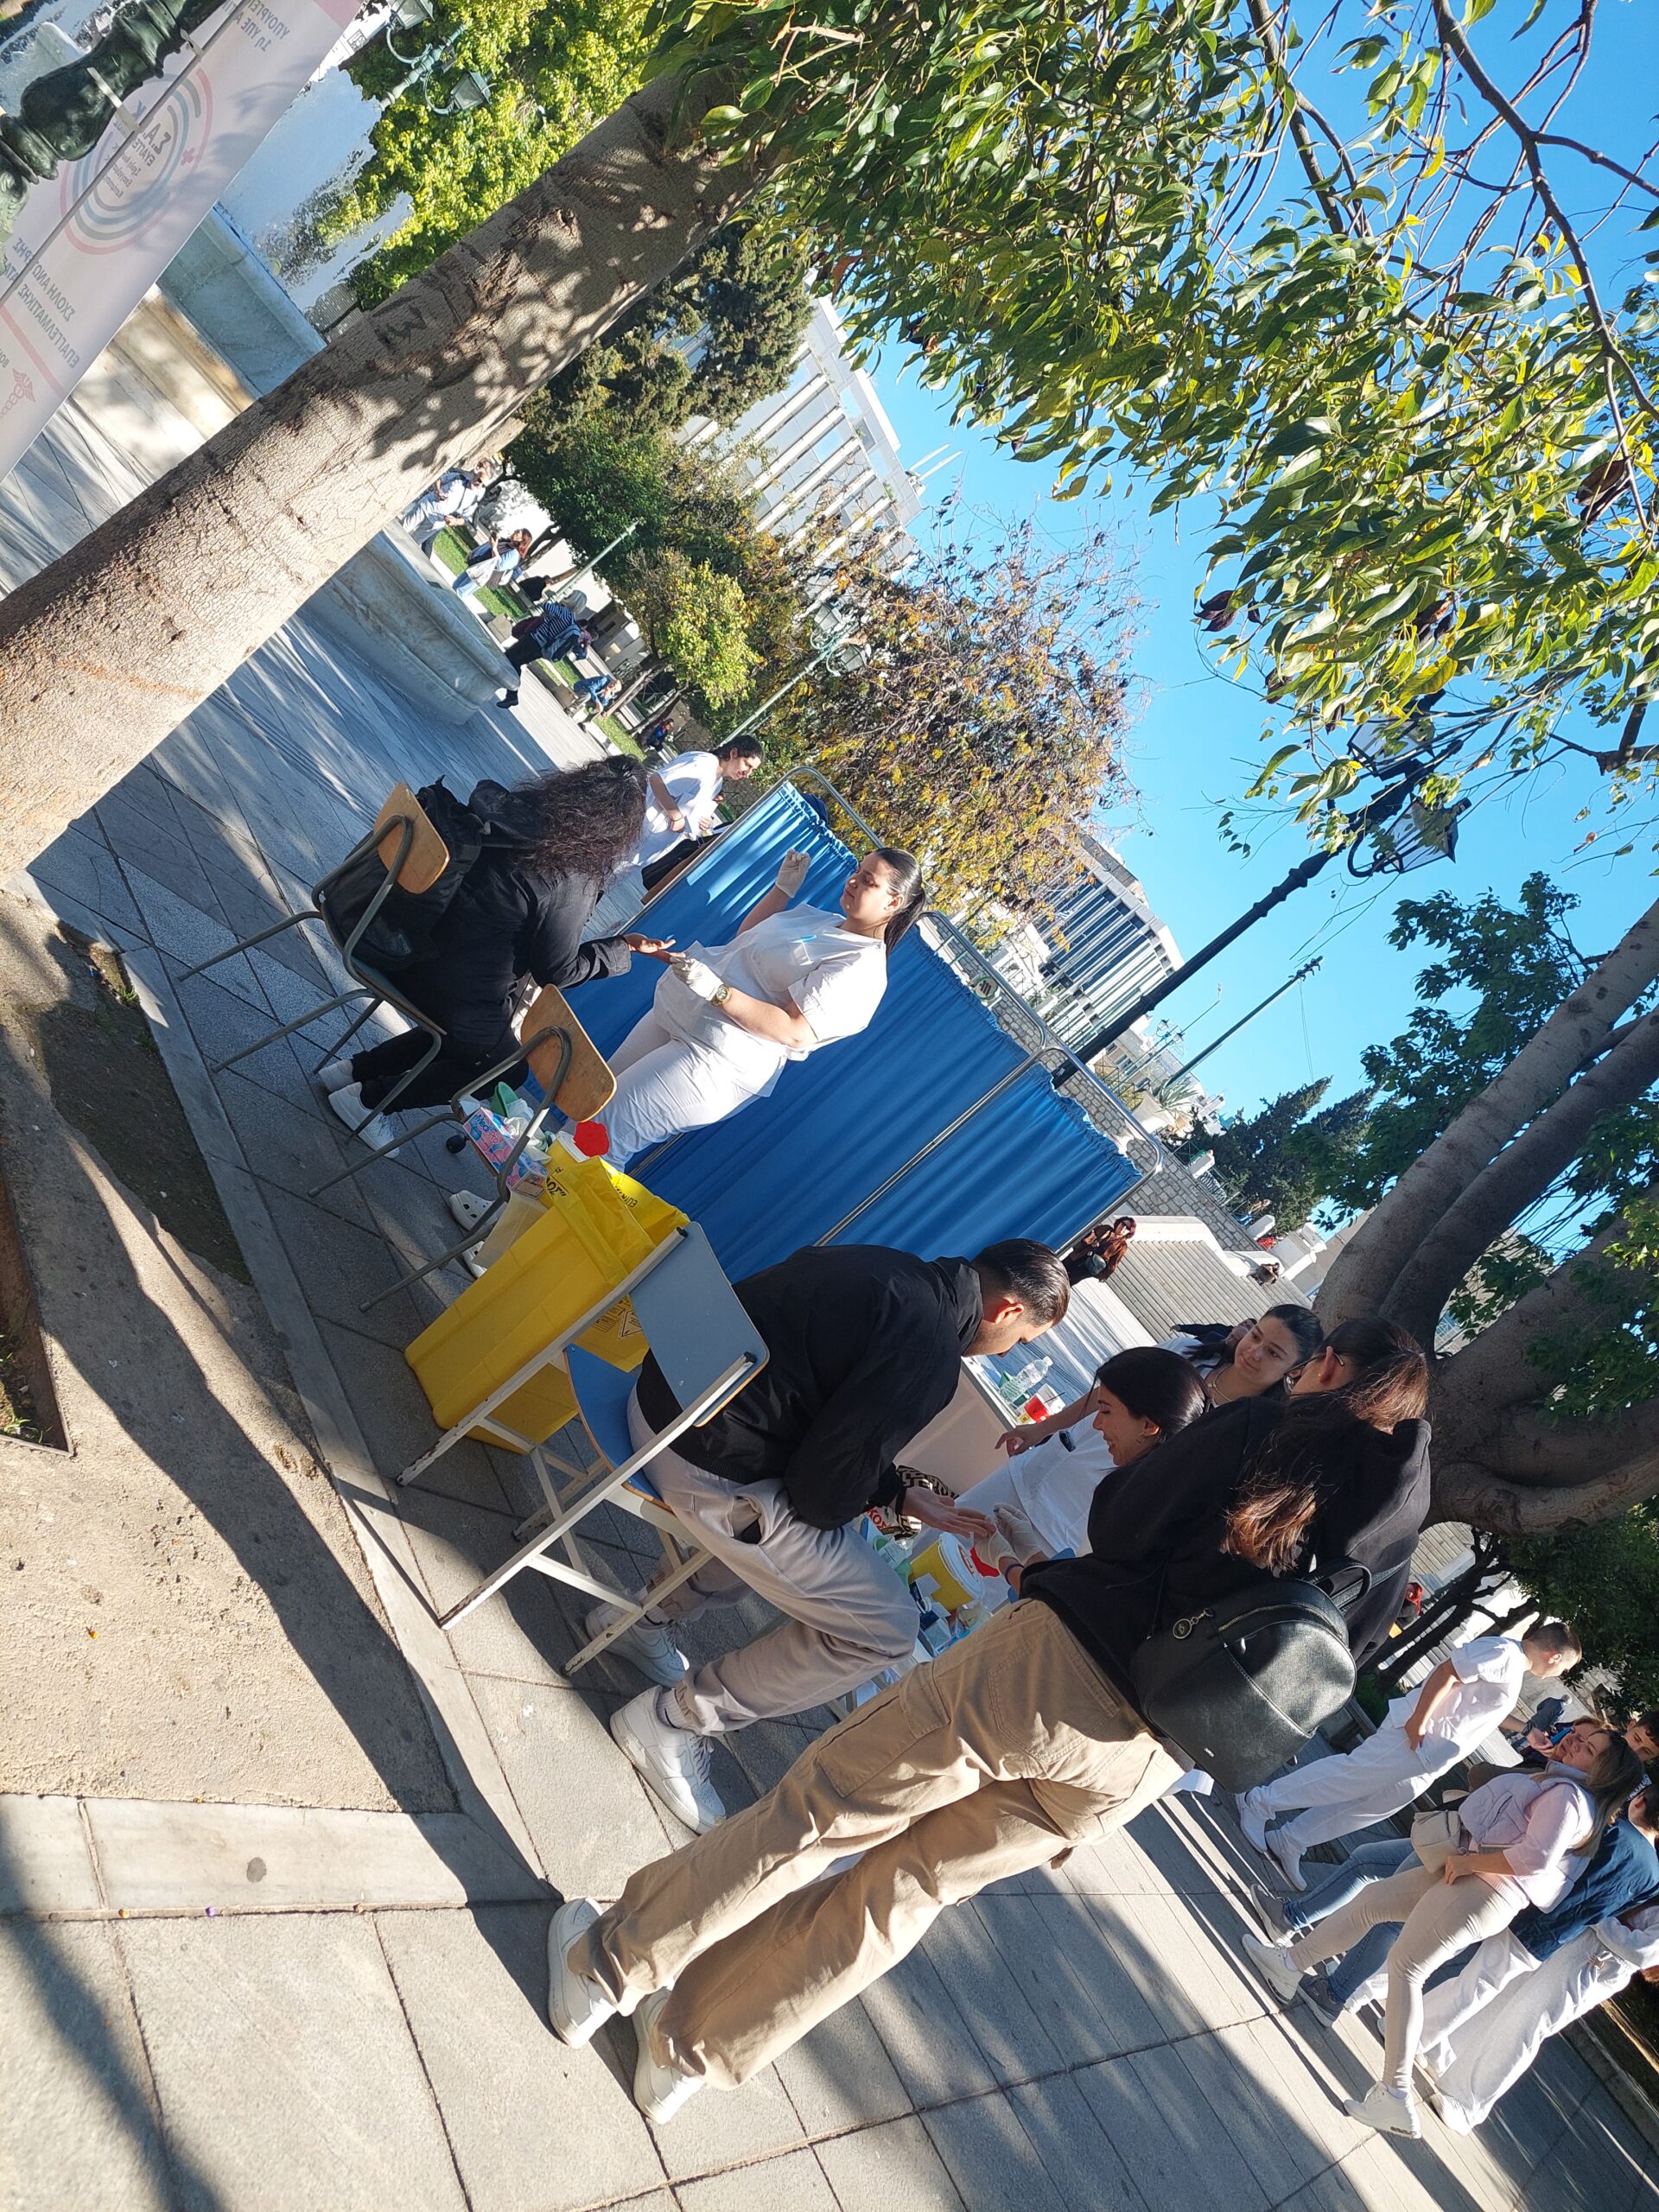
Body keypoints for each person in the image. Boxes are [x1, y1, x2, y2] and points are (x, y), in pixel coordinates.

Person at [544, 1316, 1431, 2122]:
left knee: (822, 1815)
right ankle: (690, 2053)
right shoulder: (1391, 1541)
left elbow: (1123, 1522)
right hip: (1148, 1761)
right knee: (906, 1893)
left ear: (1327, 1365)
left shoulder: (1263, 1430)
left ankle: (609, 1964)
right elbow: (1325, 1673)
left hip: (1055, 1669)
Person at [588, 1239, 1072, 1832]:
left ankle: (643, 1621)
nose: (1007, 1350)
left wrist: (893, 1491)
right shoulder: (930, 1349)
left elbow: (808, 1406)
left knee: (814, 1538)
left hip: (660, 1401)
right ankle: (675, 1721)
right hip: (700, 1463)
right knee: (887, 1628)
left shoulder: (891, 1267)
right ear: (1007, 1311)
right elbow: (819, 1493)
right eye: (1021, 1340)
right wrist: (863, 1507)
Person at [1243, 1720, 1644, 2140]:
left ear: (1604, 1774)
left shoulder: (1569, 1797)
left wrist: (1470, 1863)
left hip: (1483, 1888)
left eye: (1588, 1749)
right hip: (1475, 1881)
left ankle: (1395, 2093)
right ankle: (1289, 1964)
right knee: (1373, 1903)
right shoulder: (1571, 1794)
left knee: (1406, 1969)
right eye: (1582, 1739)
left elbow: (1534, 1859)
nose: (1576, 1744)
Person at [321, 761, 671, 1153]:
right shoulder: (572, 876)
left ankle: (353, 1072)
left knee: (479, 1036)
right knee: (506, 1066)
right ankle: (367, 1102)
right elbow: (558, 969)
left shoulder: (511, 809)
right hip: (437, 979)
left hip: (397, 934)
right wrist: (623, 948)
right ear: (617, 832)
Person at [594, 843, 925, 1169]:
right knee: (590, 1102)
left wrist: (719, 992)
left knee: (600, 1137)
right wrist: (781, 890)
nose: (852, 881)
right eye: (857, 870)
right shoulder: (821, 921)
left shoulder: (862, 968)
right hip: (683, 1012)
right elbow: (749, 938)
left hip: (717, 1061)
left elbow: (795, 1030)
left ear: (893, 902)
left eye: (868, 880)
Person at [1237, 1619, 1583, 1892]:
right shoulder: (1504, 1654)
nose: (1560, 1675)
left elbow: (1482, 1707)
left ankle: (1291, 1840)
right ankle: (1260, 1803)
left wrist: (1526, 1730)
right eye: (1564, 1668)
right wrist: (1418, 1720)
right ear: (1554, 1657)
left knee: (1369, 1805)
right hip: (1418, 1738)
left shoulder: (1512, 1664)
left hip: (1431, 1753)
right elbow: (1448, 1672)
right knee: (1348, 1778)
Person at [1416, 1775, 1659, 2076]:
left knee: (1463, 1966)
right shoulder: (1653, 1876)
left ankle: (1417, 2032)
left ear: (1639, 1801)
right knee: (1485, 1983)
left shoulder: (1609, 1829)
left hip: (1531, 1905)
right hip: (1556, 1936)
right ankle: (1428, 2037)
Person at [1430, 1895, 1659, 2133]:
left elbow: (1642, 1952)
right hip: (1580, 1935)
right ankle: (1450, 2050)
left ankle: (1469, 2105)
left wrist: (1597, 1913)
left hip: (1599, 1961)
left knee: (1526, 2026)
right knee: (1508, 1993)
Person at [950, 1346, 1206, 1560]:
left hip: (1056, 1541)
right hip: (1038, 1487)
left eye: (1106, 1412)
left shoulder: (1141, 1513)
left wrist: (1014, 1562)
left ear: (1149, 1426)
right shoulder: (1187, 1349)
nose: (1096, 1424)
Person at [634, 739, 764, 875]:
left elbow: (689, 808)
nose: (748, 774)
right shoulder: (703, 763)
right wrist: (676, 816)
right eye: (747, 765)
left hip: (647, 848)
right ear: (733, 753)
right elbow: (657, 780)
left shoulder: (718, 782)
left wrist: (704, 822)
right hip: (637, 831)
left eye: (752, 770)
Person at [1161, 1305, 1322, 1408]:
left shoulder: (1257, 1430)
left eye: (1273, 1353)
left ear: (1295, 1370)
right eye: (1255, 1337)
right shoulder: (1183, 1351)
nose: (1254, 1352)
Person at [497, 600, 592, 709]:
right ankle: (512, 695)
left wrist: (554, 603)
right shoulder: (572, 620)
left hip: (533, 639)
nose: (567, 597)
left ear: (574, 600)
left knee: (508, 657)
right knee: (516, 662)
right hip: (542, 649)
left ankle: (506, 688)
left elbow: (546, 605)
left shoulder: (564, 612)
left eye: (570, 597)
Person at [401, 467, 484, 555]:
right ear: (475, 476)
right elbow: (439, 479)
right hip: (427, 506)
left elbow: (464, 519)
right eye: (479, 480)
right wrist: (437, 490)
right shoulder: (458, 477)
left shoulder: (473, 501)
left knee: (412, 543)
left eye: (483, 485)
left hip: (436, 523)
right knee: (404, 528)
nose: (479, 484)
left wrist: (455, 521)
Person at [452, 528, 532, 601]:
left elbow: (500, 565)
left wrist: (494, 548)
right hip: (476, 566)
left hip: (482, 573)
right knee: (455, 586)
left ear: (522, 541)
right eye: (516, 530)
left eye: (518, 533)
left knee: (460, 592)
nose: (514, 532)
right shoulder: (506, 543)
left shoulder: (514, 554)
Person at [1064, 1215, 1135, 1286]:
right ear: (1119, 1223)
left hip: (1092, 1264)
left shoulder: (1122, 1246)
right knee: (1062, 1268)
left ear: (1129, 1232)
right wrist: (1090, 1242)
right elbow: (1087, 1234)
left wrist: (1104, 1276)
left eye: (1127, 1228)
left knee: (1071, 1281)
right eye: (1123, 1224)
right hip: (1081, 1254)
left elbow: (1114, 1262)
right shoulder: (1106, 1228)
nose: (1123, 1228)